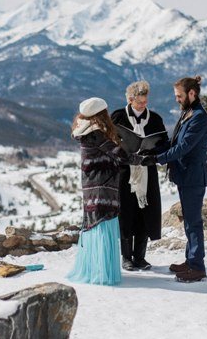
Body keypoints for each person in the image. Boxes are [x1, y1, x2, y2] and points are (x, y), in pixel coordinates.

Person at [136, 76, 207, 282]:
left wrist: (156, 160)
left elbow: (183, 148)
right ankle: (190, 260)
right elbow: (174, 142)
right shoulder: (187, 113)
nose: (177, 99)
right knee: (189, 221)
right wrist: (153, 149)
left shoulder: (199, 117)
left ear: (192, 94)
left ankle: (197, 267)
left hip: (193, 177)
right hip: (184, 175)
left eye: (179, 95)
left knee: (194, 222)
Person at [67, 97, 140, 286]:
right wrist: (145, 157)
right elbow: (120, 154)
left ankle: (94, 268)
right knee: (103, 225)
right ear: (101, 114)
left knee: (94, 225)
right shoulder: (96, 133)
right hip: (103, 186)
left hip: (92, 186)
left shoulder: (85, 130)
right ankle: (103, 271)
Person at [111, 80, 169, 271]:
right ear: (130, 99)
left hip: (147, 171)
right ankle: (126, 257)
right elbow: (109, 142)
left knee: (145, 211)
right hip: (125, 172)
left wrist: (151, 154)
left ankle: (140, 257)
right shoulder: (118, 117)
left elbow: (164, 143)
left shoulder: (155, 119)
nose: (143, 105)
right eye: (139, 103)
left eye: (145, 102)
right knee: (126, 212)